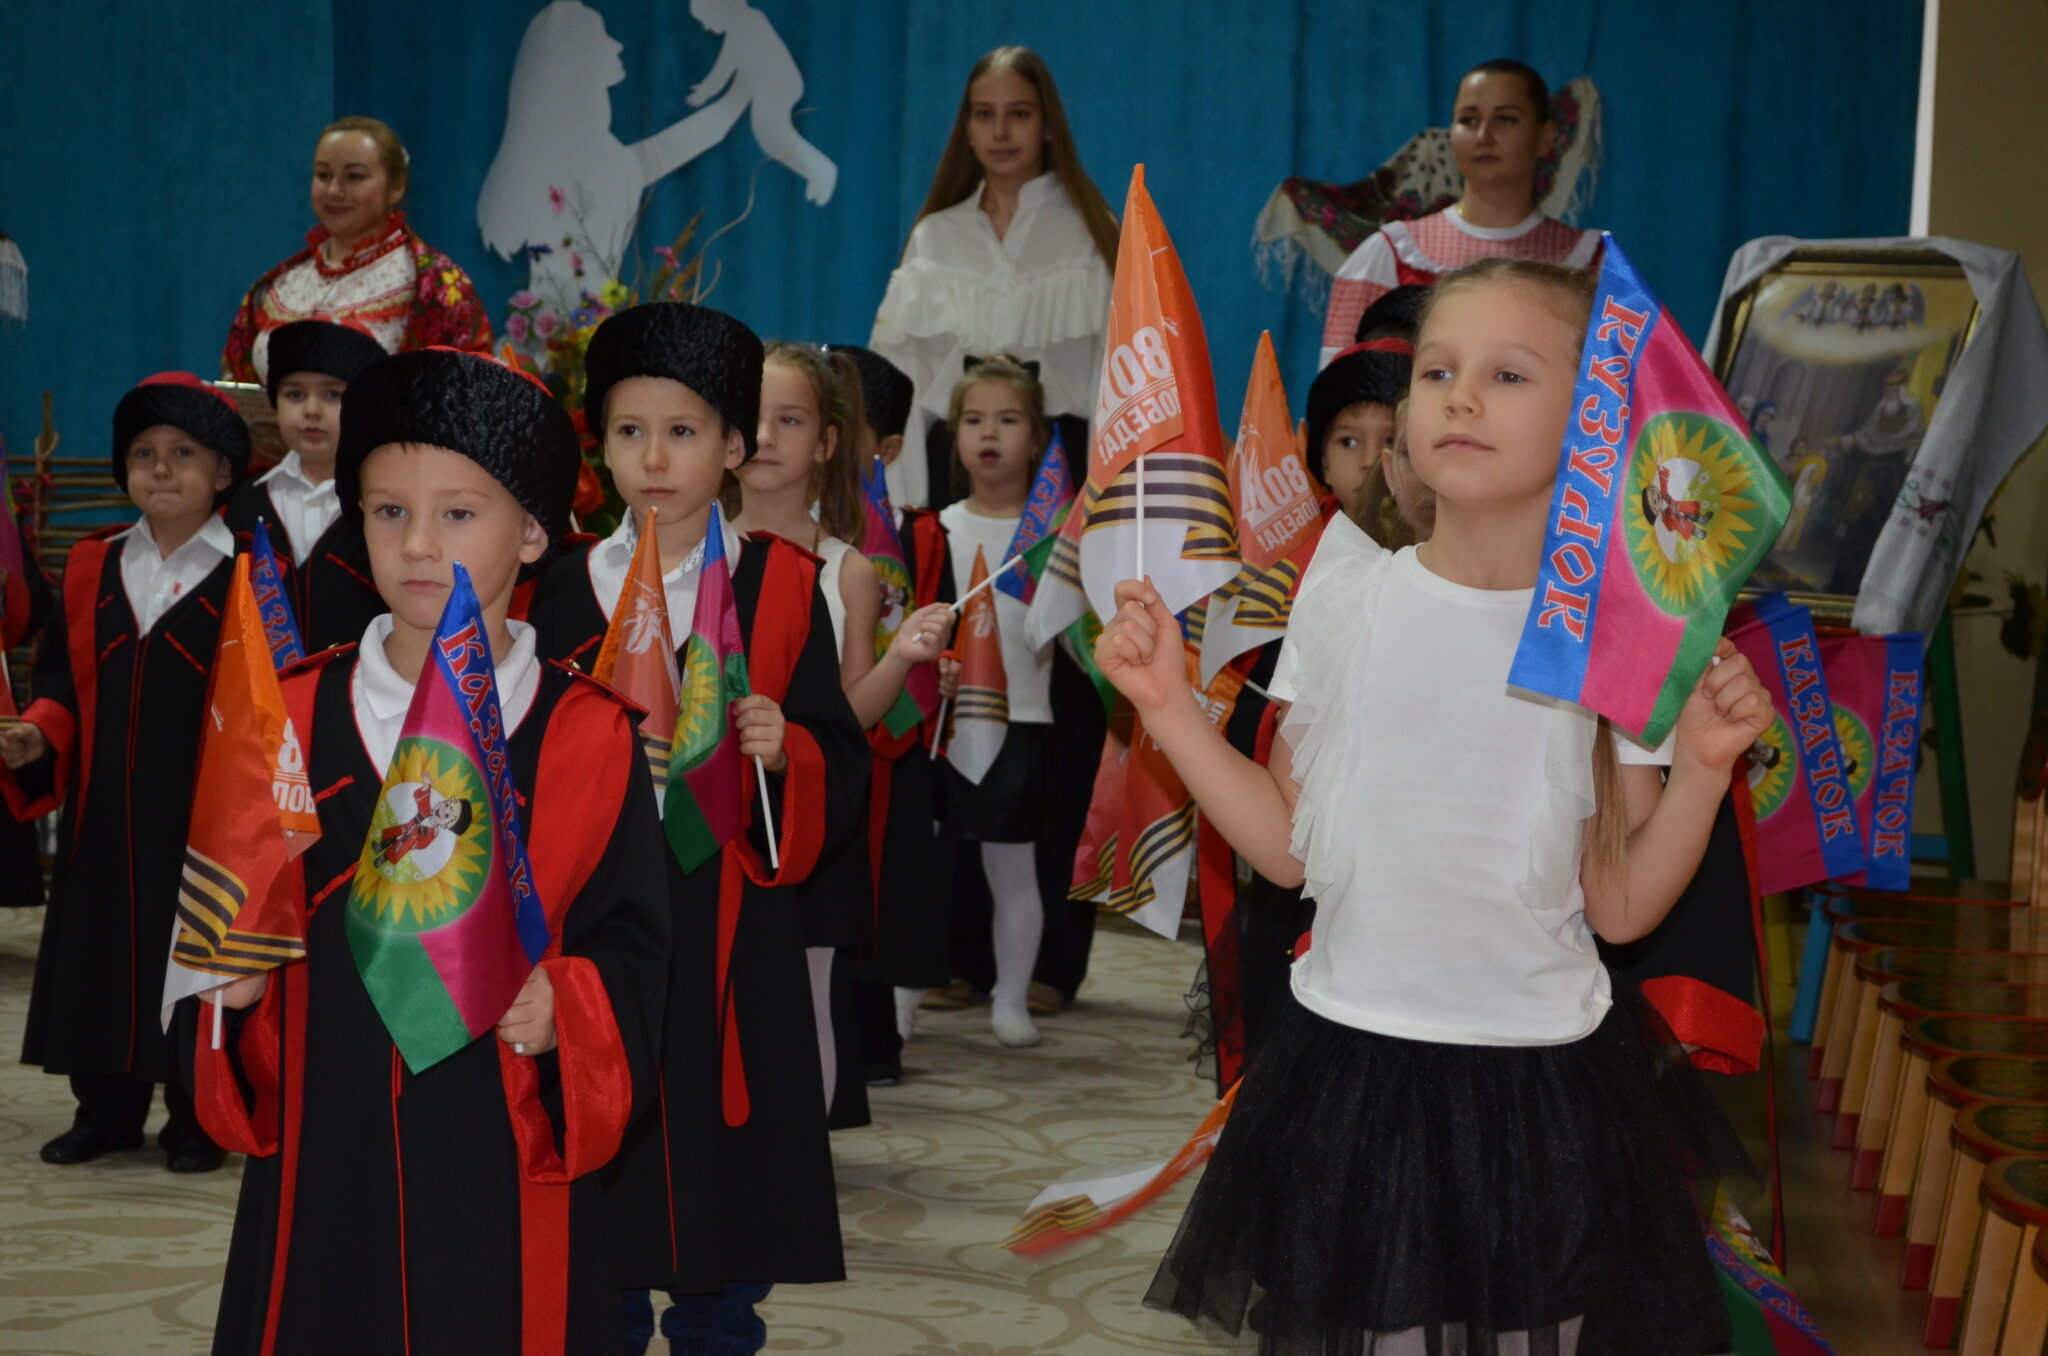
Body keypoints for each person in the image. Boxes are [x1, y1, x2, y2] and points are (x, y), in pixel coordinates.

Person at [1104, 257, 1768, 1352]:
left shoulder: (1618, 635)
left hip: (1540, 1082)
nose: (1459, 398)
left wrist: (1699, 771)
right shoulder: (1346, 595)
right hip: (1353, 1063)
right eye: (1436, 373)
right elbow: (1289, 848)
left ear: (1594, 425)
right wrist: (1170, 712)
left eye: (1507, 375)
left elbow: (1617, 905)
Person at [195, 348, 670, 1353]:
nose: (416, 543)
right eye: (387, 511)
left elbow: (635, 945)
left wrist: (570, 1004)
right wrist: (228, 991)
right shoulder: (288, 715)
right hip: (328, 1136)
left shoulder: (586, 734)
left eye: (457, 513)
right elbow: (230, 912)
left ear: (532, 531)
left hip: (500, 1133)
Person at [522, 302, 864, 1356]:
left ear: (733, 447)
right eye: (630, 432)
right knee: (604, 1183)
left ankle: (721, 1328)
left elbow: (840, 761)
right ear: (601, 446)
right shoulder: (556, 587)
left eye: (682, 432)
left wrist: (786, 750)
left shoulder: (784, 587)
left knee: (726, 1185)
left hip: (730, 937)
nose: (655, 459)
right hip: (598, 932)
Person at [0, 373, 248, 1174]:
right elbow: (61, 683)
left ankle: (197, 1119)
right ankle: (103, 1113)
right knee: (99, 955)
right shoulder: (90, 565)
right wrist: (37, 734)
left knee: (195, 958)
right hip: (102, 808)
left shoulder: (252, 575)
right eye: (143, 454)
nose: (161, 469)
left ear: (224, 471)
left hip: (200, 813)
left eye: (184, 453)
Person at [730, 341, 953, 1121]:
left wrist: (903, 659)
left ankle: (804, 1162)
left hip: (807, 812)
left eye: (789, 421)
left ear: (827, 443)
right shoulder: (698, 549)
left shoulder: (846, 570)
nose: (765, 436)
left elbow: (850, 713)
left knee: (809, 984)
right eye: (752, 417)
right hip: (715, 804)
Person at [870, 45, 1118, 510]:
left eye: (1018, 114)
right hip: (952, 471)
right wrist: (903, 508)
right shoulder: (935, 237)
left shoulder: (1088, 233)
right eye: (984, 115)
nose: (1000, 132)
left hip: (1063, 473)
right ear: (967, 128)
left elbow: (1115, 383)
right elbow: (903, 388)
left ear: (1048, 125)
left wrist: (1104, 502)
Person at [830, 343, 959, 1084]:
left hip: (885, 727)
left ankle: (878, 1036)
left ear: (886, 446)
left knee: (880, 881)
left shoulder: (908, 533)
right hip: (807, 727)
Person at [1319, 60, 1601, 367]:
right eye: (1469, 120)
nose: (1483, 135)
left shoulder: (1594, 262)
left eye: (1506, 119)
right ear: (1451, 134)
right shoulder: (1390, 255)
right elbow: (1341, 388)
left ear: (1546, 137)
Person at [222, 116, 491, 383]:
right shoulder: (279, 284)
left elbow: (469, 391)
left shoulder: (436, 285)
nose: (334, 190)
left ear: (396, 187)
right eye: (324, 175)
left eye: (354, 176)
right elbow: (237, 387)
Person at [222, 318, 389, 649]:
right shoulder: (243, 501)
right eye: (295, 394)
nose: (312, 410)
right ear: (274, 405)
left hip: (359, 677)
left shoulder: (384, 503)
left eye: (333, 394)